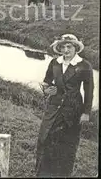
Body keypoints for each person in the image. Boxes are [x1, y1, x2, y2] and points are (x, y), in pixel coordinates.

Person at [35, 34, 94, 177]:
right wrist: (47, 89)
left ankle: (63, 174)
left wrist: (86, 112)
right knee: (45, 138)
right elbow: (46, 81)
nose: (66, 50)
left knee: (67, 144)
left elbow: (89, 90)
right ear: (59, 48)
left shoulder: (84, 66)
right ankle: (43, 173)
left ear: (75, 48)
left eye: (69, 47)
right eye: (63, 47)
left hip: (73, 110)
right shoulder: (55, 62)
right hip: (54, 107)